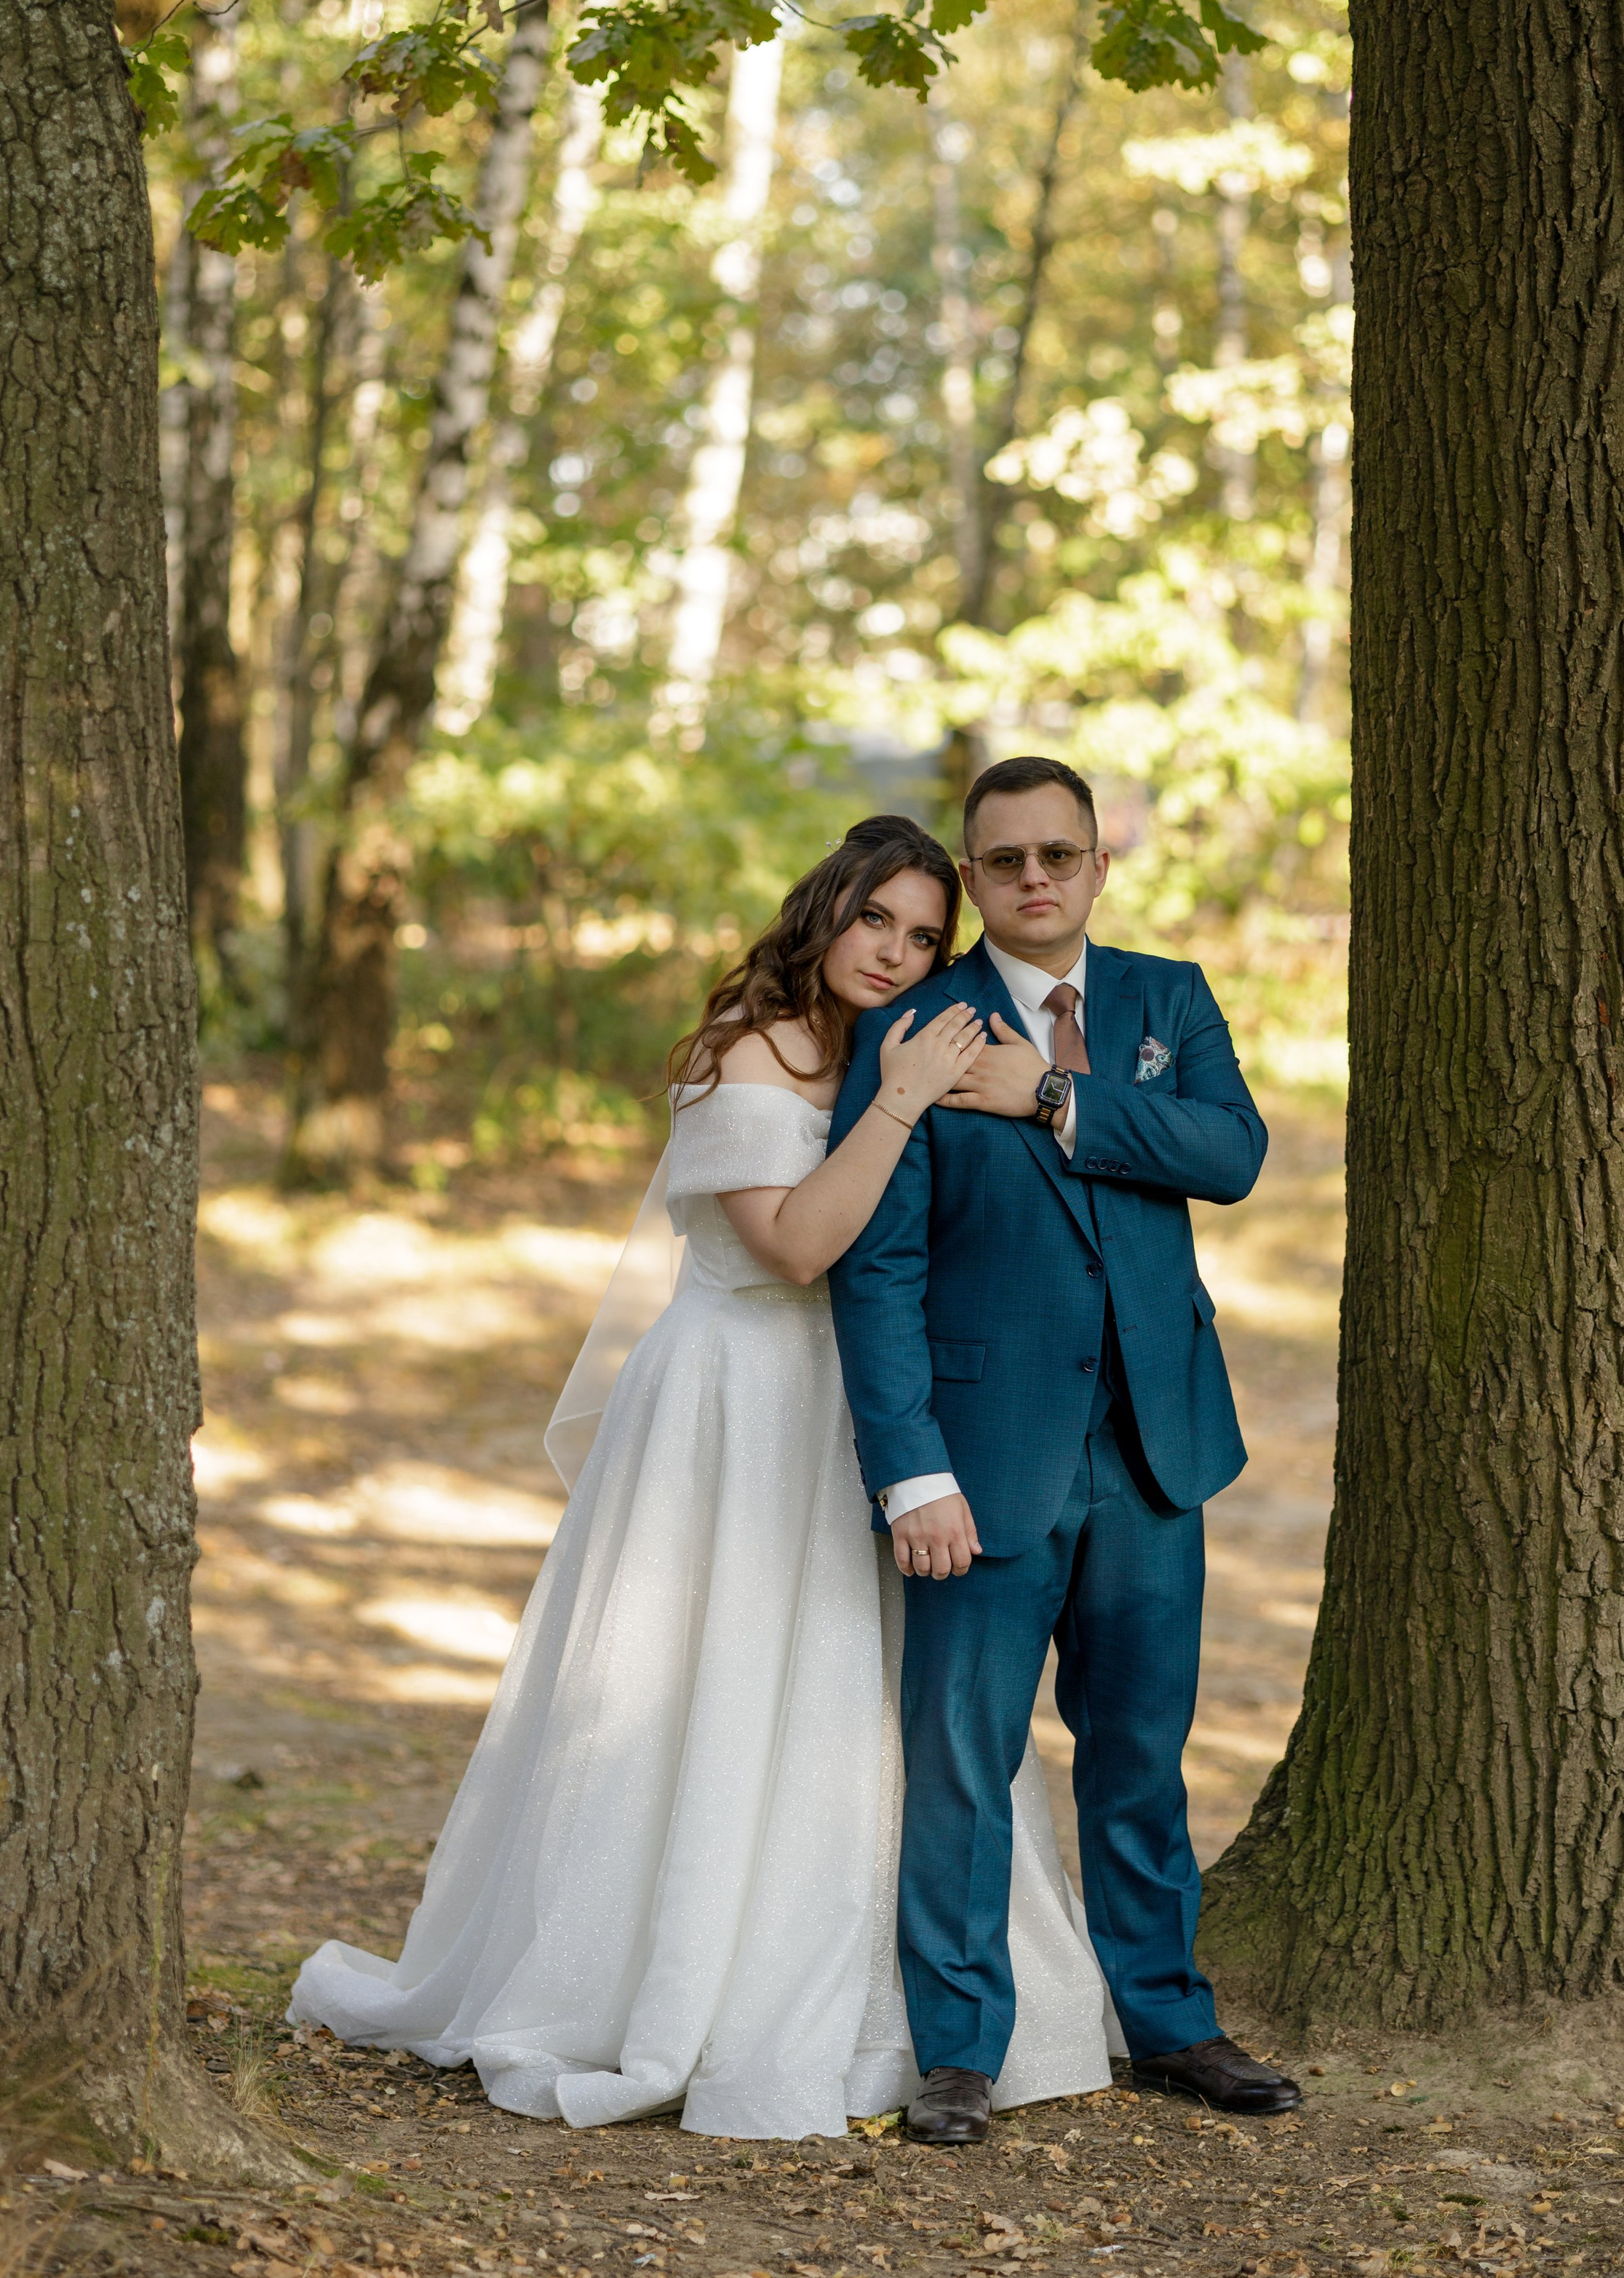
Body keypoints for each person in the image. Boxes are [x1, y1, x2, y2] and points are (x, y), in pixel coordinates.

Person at [288, 816, 1120, 2137]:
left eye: (921, 935)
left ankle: (913, 1988)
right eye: (875, 922)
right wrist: (904, 1101)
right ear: (826, 908)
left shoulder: (881, 1045)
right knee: (720, 1679)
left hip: (871, 1402)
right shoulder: (751, 1053)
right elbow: (794, 1247)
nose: (898, 954)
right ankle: (685, 1976)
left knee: (873, 1683)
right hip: (741, 1402)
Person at [829, 757, 1303, 2143]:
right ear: (971, 880)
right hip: (985, 1460)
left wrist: (1053, 1097)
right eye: (1005, 860)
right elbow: (878, 1266)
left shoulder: (1171, 998)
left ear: (1100, 865)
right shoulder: (916, 1024)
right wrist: (911, 1466)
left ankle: (1169, 2019)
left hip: (1159, 1447)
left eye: (1059, 853)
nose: (1035, 877)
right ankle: (960, 2052)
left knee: (1143, 1751)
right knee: (968, 1757)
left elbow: (1230, 1153)